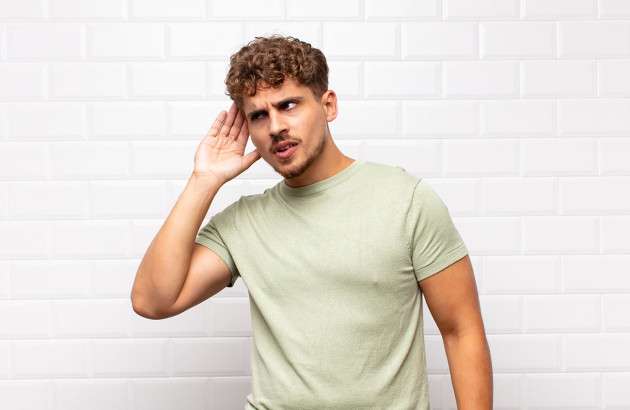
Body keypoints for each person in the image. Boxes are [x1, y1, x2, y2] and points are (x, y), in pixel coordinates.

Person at [131, 35, 492, 410]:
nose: (274, 127)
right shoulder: (243, 223)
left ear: (328, 105)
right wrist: (203, 181)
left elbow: (461, 331)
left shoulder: (407, 200)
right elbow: (152, 301)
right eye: (258, 115)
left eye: (288, 105)